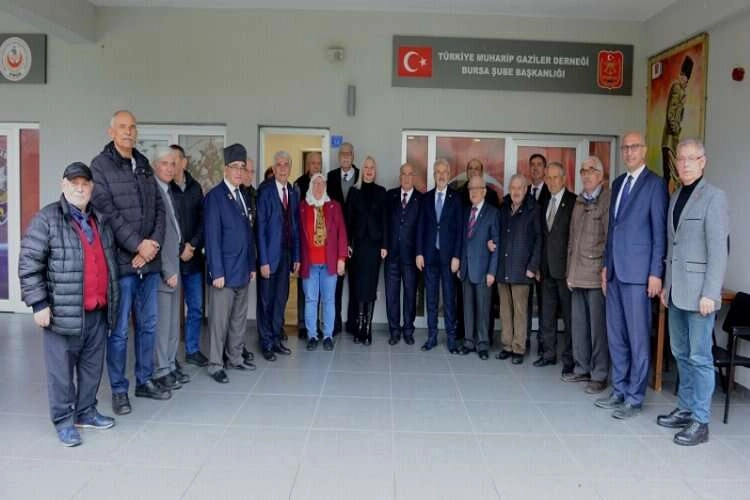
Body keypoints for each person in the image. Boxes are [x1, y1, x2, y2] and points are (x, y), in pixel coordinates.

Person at [19, 162, 119, 447]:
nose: (80, 188)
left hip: (96, 311)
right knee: (61, 373)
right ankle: (64, 421)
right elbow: (29, 263)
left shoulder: (99, 220)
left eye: (85, 184)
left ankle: (85, 412)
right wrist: (39, 303)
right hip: (62, 313)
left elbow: (108, 262)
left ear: (92, 188)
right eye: (74, 183)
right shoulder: (47, 219)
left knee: (91, 368)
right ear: (63, 185)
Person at [90, 110, 169, 415]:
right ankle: (119, 390)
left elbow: (159, 210)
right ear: (111, 132)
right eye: (122, 127)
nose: (128, 132)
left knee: (148, 325)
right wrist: (138, 245)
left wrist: (152, 246)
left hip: (149, 264)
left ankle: (144, 380)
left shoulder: (144, 164)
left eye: (133, 127)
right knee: (120, 330)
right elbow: (107, 213)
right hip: (122, 265)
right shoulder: (100, 166)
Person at [659, 138, 729, 446]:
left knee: (700, 357)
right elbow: (671, 247)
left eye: (692, 158)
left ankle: (701, 421)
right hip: (676, 292)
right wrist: (666, 285)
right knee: (680, 353)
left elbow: (719, 251)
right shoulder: (676, 196)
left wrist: (710, 293)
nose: (685, 163)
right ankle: (685, 409)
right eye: (681, 158)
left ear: (703, 162)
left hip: (700, 295)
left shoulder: (714, 197)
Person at [597, 131, 668, 419]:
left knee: (638, 338)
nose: (628, 152)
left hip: (639, 275)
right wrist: (605, 265)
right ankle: (619, 389)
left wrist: (656, 272)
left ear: (644, 150)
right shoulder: (617, 183)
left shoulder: (655, 185)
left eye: (634, 147)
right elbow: (612, 230)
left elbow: (659, 232)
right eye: (625, 148)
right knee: (616, 336)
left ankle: (635, 397)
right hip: (615, 272)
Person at [203, 144, 257, 383]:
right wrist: (216, 271)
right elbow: (212, 237)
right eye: (234, 167)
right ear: (225, 169)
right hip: (223, 272)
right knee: (219, 321)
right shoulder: (215, 197)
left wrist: (252, 265)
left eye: (242, 167)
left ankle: (234, 357)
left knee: (238, 319)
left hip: (243, 269)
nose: (238, 171)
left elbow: (248, 234)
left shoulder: (243, 195)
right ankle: (215, 364)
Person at [565, 156, 610, 394]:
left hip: (595, 276)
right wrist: (569, 273)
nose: (586, 175)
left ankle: (599, 374)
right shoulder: (579, 201)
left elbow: (609, 240)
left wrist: (606, 271)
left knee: (597, 329)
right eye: (583, 171)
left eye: (591, 170)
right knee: (579, 326)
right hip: (577, 274)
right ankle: (581, 368)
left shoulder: (606, 200)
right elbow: (572, 240)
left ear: (600, 175)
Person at [152, 147, 190, 390]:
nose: (169, 168)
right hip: (164, 271)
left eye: (172, 164)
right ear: (155, 165)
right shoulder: (153, 192)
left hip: (175, 266)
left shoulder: (168, 191)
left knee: (174, 323)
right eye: (164, 163)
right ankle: (160, 370)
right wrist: (167, 270)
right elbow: (156, 235)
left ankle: (170, 364)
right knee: (162, 325)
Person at [257, 150, 301, 361]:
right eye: (279, 165)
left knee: (281, 299)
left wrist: (297, 256)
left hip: (286, 255)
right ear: (274, 169)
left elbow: (296, 227)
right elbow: (260, 228)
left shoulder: (292, 191)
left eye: (286, 165)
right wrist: (263, 260)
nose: (283, 168)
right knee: (266, 301)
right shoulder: (265, 192)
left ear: (290, 168)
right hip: (270, 256)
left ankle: (276, 339)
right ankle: (266, 343)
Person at [416, 158, 463, 353]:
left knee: (449, 299)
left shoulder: (456, 198)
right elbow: (420, 227)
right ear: (434, 175)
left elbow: (460, 230)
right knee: (431, 299)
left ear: (449, 174)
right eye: (438, 172)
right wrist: (419, 253)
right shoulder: (426, 198)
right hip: (429, 255)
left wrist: (457, 256)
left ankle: (451, 339)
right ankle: (432, 337)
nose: (441, 175)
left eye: (444, 172)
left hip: (448, 257)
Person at [534, 162, 577, 374]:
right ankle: (549, 354)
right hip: (546, 269)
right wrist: (537, 265)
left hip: (565, 270)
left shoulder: (573, 202)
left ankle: (569, 358)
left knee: (569, 317)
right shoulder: (543, 202)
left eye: (555, 177)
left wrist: (572, 269)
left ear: (564, 179)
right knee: (547, 314)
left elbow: (575, 239)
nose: (551, 182)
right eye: (548, 178)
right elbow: (541, 237)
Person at [495, 174, 541, 364]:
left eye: (519, 188)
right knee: (505, 311)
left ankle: (519, 348)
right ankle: (507, 345)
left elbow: (539, 240)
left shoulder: (533, 209)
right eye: (512, 188)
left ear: (525, 189)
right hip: (503, 267)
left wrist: (533, 266)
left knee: (520, 312)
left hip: (522, 269)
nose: (515, 191)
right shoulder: (504, 207)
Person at [299, 173, 348, 351]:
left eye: (321, 184)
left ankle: (327, 335)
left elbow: (342, 234)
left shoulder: (334, 206)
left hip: (329, 263)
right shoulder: (303, 207)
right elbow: (298, 236)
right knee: (311, 300)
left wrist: (341, 258)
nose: (318, 187)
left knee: (328, 300)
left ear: (325, 187)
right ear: (310, 186)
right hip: (309, 263)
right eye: (315, 183)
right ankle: (312, 335)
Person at [169, 144, 207, 368]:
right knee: (172, 312)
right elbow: (165, 226)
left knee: (196, 307)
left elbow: (203, 221)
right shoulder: (165, 189)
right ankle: (170, 356)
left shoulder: (195, 188)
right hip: (172, 261)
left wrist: (192, 245)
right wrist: (179, 248)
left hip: (193, 259)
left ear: (184, 162)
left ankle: (192, 350)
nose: (171, 165)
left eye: (175, 160)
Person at [456, 158, 500, 345]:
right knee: (467, 308)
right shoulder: (465, 211)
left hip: (483, 270)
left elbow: (496, 243)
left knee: (483, 309)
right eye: (470, 189)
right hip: (466, 269)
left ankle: (482, 343)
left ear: (484, 191)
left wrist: (492, 272)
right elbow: (462, 240)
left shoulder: (493, 213)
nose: (473, 192)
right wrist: (460, 263)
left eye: (477, 189)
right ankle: (468, 341)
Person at [347, 156, 388, 345]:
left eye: (372, 167)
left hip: (374, 247)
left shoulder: (381, 192)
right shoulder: (354, 192)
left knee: (370, 287)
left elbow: (385, 222)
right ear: (362, 170)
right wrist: (347, 244)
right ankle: (359, 326)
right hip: (358, 246)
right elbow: (348, 220)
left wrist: (385, 245)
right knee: (358, 287)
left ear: (375, 171)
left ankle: (368, 329)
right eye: (366, 167)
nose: (369, 170)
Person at [384, 162, 423, 345]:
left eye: (410, 174)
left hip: (411, 257)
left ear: (413, 177)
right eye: (403, 174)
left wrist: (419, 253)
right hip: (391, 255)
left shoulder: (421, 199)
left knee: (410, 295)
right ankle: (394, 331)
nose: (406, 178)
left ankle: (408, 330)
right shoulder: (390, 195)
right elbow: (385, 223)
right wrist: (384, 246)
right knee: (391, 295)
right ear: (400, 177)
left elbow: (422, 229)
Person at [327, 143, 359, 335]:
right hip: (335, 240)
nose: (345, 156)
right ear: (339, 156)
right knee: (335, 286)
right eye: (342, 153)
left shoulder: (361, 175)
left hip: (355, 241)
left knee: (354, 285)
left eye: (349, 153)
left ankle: (353, 324)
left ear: (353, 156)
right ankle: (335, 323)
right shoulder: (330, 176)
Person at [294, 151, 323, 338]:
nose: (316, 166)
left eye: (318, 163)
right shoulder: (299, 184)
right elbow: (295, 216)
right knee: (304, 289)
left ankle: (314, 324)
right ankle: (303, 325)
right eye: (313, 163)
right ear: (307, 165)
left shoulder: (322, 183)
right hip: (304, 246)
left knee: (317, 290)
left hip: (319, 249)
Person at [526, 153, 549, 354]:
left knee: (543, 303)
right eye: (532, 165)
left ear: (545, 169)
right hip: (524, 260)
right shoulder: (523, 192)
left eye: (539, 165)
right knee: (524, 302)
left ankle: (543, 341)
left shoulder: (551, 193)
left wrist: (539, 263)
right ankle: (523, 339)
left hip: (544, 260)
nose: (535, 168)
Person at [661, 56, 694, 188]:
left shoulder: (680, 90)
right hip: (670, 140)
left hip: (670, 140)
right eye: (686, 78)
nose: (686, 81)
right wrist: (676, 129)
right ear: (682, 75)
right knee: (673, 174)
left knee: (669, 175)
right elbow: (672, 112)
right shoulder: (677, 88)